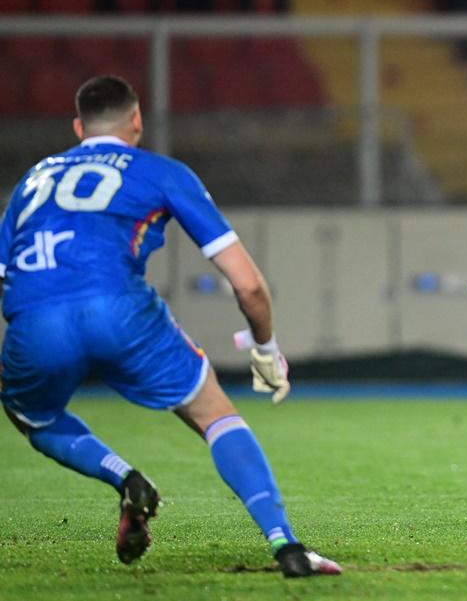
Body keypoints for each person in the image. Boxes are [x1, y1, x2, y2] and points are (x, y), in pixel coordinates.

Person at [0, 76, 341, 576]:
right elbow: (247, 284)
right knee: (217, 417)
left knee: (33, 415)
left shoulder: (32, 181)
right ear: (136, 120)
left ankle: (125, 477)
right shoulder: (161, 172)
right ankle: (286, 546)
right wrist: (265, 351)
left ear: (78, 128)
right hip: (121, 313)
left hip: (35, 319)